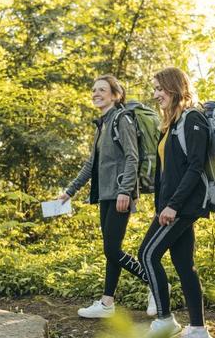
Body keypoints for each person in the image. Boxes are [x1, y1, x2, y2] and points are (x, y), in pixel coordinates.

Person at [58, 75, 153, 318]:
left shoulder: (122, 119)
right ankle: (107, 303)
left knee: (111, 249)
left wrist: (126, 191)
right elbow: (92, 164)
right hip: (106, 195)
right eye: (93, 90)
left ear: (115, 95)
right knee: (112, 248)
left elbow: (133, 157)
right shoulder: (103, 124)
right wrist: (70, 191)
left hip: (120, 194)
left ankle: (156, 284)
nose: (95, 93)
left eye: (101, 90)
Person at [138, 67, 213, 338]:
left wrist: (172, 206)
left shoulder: (193, 118)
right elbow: (168, 172)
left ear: (174, 87)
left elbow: (195, 167)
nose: (156, 95)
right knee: (184, 265)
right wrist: (161, 205)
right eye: (155, 89)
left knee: (147, 254)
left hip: (183, 206)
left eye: (160, 88)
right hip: (171, 205)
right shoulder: (174, 123)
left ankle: (164, 320)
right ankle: (198, 329)